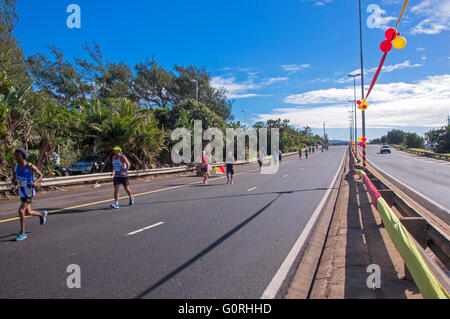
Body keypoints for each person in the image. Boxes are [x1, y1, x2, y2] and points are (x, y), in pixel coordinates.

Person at [12, 148, 48, 241]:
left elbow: (40, 175)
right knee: (28, 212)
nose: (16, 158)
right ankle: (41, 215)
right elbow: (14, 179)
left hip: (29, 192)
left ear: (23, 156)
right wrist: (15, 182)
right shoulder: (16, 167)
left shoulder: (30, 166)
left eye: (18, 156)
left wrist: (35, 182)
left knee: (21, 211)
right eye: (15, 156)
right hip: (22, 192)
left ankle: (22, 233)